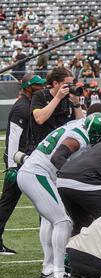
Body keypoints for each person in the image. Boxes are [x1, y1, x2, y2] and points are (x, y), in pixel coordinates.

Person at [17, 113, 101, 278]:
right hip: (38, 174)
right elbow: (57, 158)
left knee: (50, 222)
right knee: (63, 222)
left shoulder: (77, 125)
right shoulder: (79, 137)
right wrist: (72, 176)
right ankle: (59, 274)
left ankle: (48, 269)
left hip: (35, 172)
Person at [0, 74, 46, 255]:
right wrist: (12, 166)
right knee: (7, 203)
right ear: (28, 87)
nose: (41, 87)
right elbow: (13, 137)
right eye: (37, 85)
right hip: (19, 161)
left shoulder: (30, 104)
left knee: (41, 202)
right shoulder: (22, 107)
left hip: (27, 159)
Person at [30, 67, 85, 147]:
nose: (70, 87)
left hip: (64, 146)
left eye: (72, 84)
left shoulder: (69, 98)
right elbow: (39, 119)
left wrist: (76, 103)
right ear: (55, 84)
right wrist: (58, 97)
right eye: (67, 84)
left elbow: (80, 123)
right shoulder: (40, 95)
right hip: (45, 146)